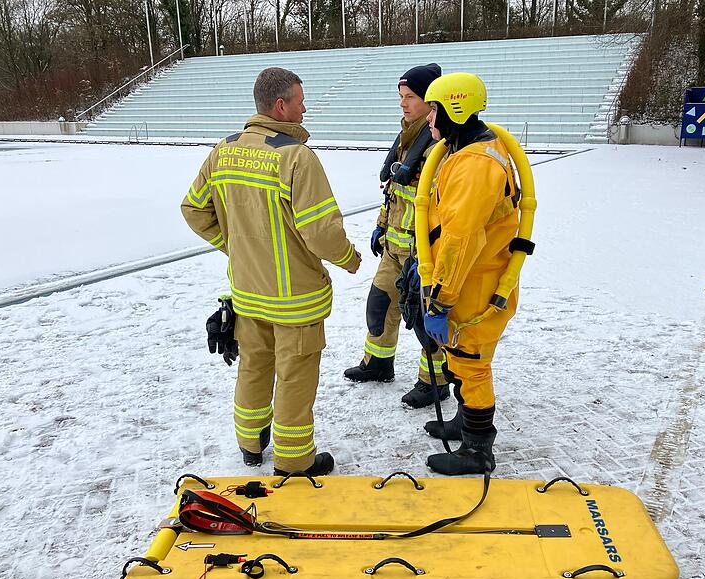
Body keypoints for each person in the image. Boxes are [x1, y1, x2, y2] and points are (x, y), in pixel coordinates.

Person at [181, 67, 361, 477]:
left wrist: (235, 246)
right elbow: (320, 231)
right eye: (300, 100)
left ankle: (250, 443)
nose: (305, 108)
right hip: (295, 298)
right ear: (280, 106)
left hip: (247, 290)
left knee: (254, 365)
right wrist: (349, 258)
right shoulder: (296, 157)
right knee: (295, 375)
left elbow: (193, 209)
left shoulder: (222, 151)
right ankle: (295, 459)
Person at [419, 72, 521, 475]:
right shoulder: (466, 150)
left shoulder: (474, 164)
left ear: (454, 109)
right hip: (473, 276)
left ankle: (478, 449)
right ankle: (466, 422)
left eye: (434, 110)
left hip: (471, 283)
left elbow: (460, 240)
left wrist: (439, 300)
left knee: (471, 363)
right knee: (461, 362)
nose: (429, 119)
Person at [343, 63, 450, 409]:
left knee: (425, 320)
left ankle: (434, 382)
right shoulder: (407, 138)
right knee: (379, 304)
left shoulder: (439, 145)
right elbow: (394, 191)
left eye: (410, 97)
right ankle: (378, 363)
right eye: (401, 97)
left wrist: (431, 252)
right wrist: (381, 224)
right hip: (394, 246)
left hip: (423, 253)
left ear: (431, 101)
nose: (403, 104)